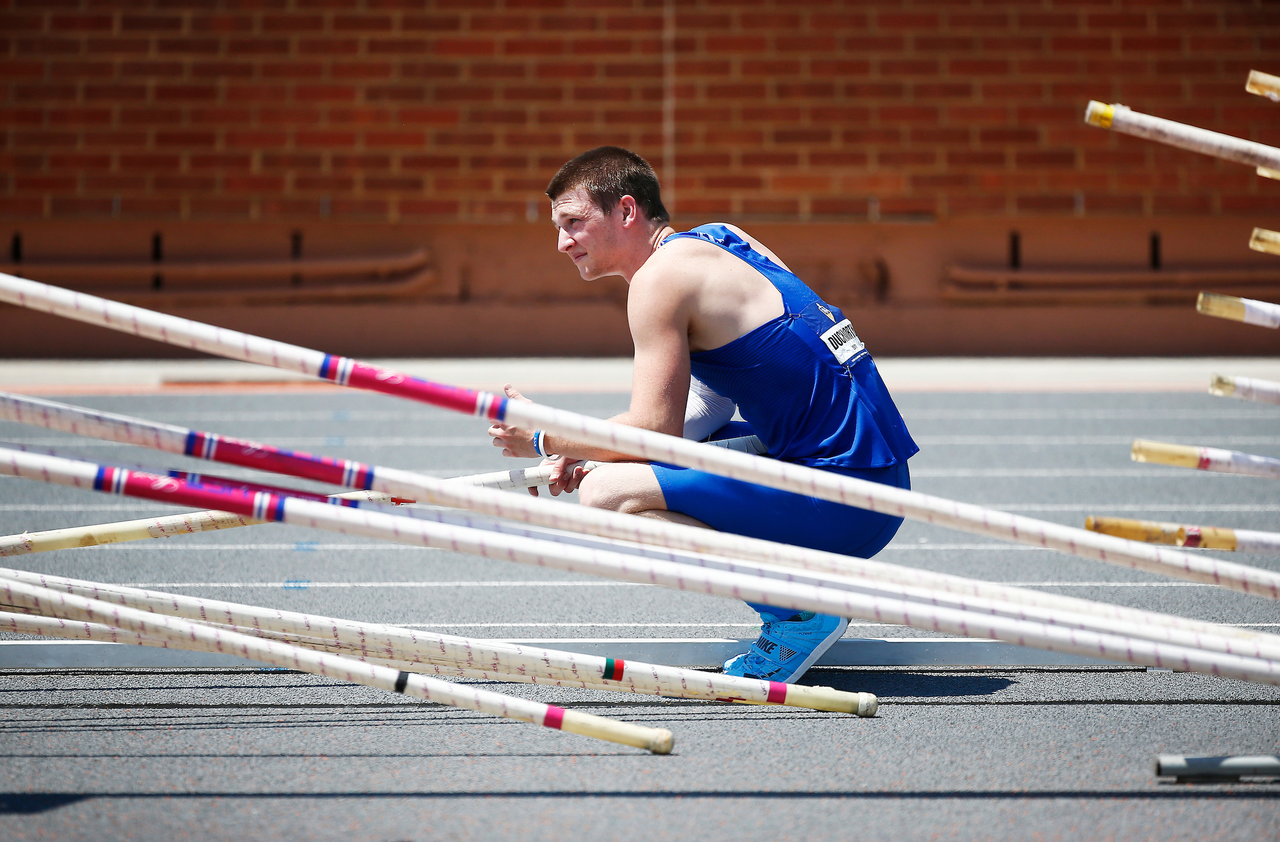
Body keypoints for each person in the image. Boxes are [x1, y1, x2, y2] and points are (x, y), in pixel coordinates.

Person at [489, 146, 917, 684]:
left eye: (574, 222)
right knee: (618, 474)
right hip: (877, 478)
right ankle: (804, 599)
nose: (562, 242)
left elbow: (655, 431)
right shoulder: (724, 238)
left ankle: (799, 615)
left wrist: (546, 437)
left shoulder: (657, 283)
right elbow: (714, 402)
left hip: (847, 495)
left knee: (606, 496)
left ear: (626, 211)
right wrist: (590, 448)